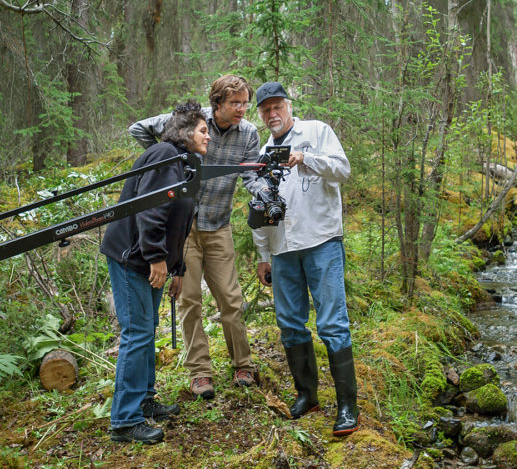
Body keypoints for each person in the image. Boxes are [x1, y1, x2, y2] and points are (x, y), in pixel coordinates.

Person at [129, 75, 265, 399]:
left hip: (218, 225)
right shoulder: (194, 122)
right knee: (189, 300)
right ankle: (200, 373)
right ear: (217, 104)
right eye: (235, 103)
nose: (242, 109)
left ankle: (243, 364)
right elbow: (138, 128)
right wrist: (167, 159)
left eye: (246, 102)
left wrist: (263, 195)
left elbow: (251, 175)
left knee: (231, 299)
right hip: (184, 229)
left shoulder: (248, 133)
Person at [253, 81, 359, 436]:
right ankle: (307, 395)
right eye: (265, 110)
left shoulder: (316, 131)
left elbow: (343, 170)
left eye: (276, 107)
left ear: (288, 105)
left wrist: (305, 158)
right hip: (282, 248)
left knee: (331, 322)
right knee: (290, 322)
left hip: (321, 240)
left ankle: (347, 405)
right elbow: (259, 207)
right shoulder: (263, 152)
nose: (272, 114)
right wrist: (262, 255)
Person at [101, 101, 210, 444]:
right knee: (137, 332)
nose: (209, 137)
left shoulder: (180, 163)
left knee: (147, 329)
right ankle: (124, 421)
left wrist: (176, 267)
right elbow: (151, 211)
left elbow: (178, 222)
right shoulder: (165, 155)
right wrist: (156, 258)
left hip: (149, 258)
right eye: (203, 130)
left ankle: (143, 401)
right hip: (133, 258)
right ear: (184, 132)